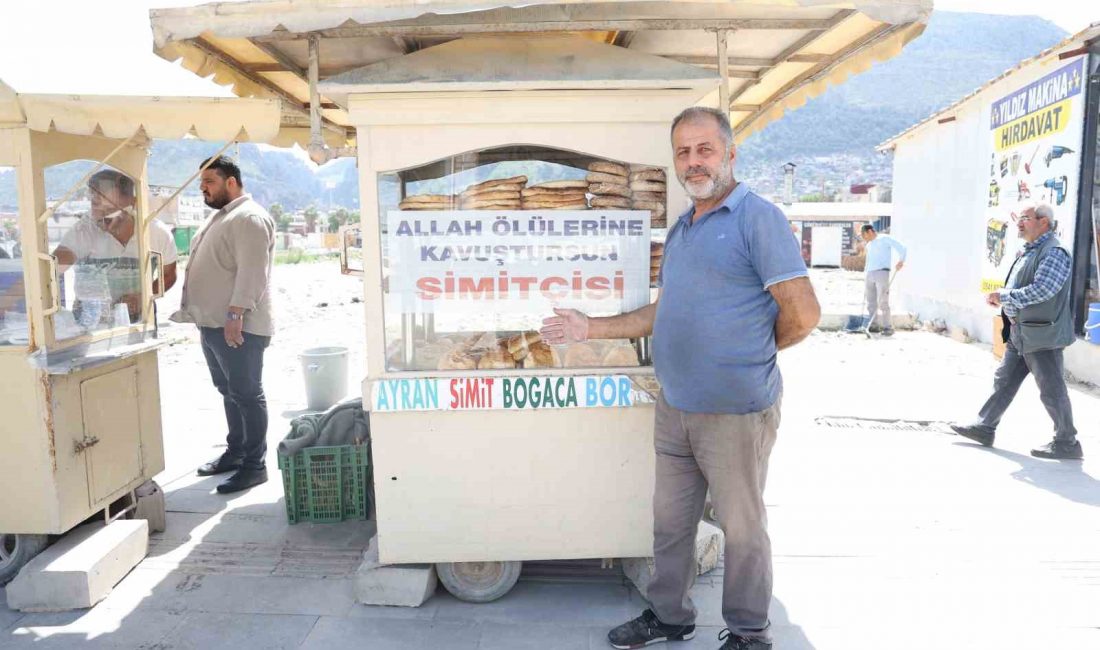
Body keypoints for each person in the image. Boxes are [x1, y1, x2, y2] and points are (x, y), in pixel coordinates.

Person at [541, 107, 820, 650]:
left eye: (705, 149)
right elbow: (662, 312)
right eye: (684, 153)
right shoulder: (684, 229)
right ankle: (669, 615)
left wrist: (753, 351)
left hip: (735, 411)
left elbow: (803, 313)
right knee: (670, 526)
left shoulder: (756, 218)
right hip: (675, 408)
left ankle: (748, 631)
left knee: (743, 531)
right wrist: (589, 326)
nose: (694, 162)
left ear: (731, 154)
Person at [171, 156, 276, 493]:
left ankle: (254, 466)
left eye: (210, 182)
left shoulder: (249, 218)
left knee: (247, 393)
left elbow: (252, 272)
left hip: (238, 326)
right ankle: (236, 452)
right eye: (202, 183)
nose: (204, 188)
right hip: (214, 325)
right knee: (229, 391)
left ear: (231, 182)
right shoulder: (222, 217)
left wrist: (236, 314)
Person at [950, 202, 1082, 460]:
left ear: (1044, 222)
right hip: (1021, 332)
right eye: (1019, 218)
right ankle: (984, 426)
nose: (1019, 222)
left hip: (1042, 335)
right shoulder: (1029, 251)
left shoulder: (1054, 252)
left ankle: (1067, 442)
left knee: (1051, 389)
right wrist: (1003, 300)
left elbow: (1043, 290)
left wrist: (1005, 296)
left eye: (1026, 217)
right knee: (1004, 381)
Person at [0, 169, 177, 323]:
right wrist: (7, 301)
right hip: (90, 325)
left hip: (141, 322)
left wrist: (144, 295)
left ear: (133, 202)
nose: (101, 218)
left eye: (110, 211)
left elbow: (169, 275)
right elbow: (49, 269)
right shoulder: (85, 229)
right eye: (95, 206)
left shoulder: (157, 233)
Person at [859, 224, 906, 335]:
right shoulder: (869, 245)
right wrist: (865, 273)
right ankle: (873, 325)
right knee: (871, 302)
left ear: (870, 231)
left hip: (882, 272)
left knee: (883, 302)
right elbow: (868, 260)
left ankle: (888, 328)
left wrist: (901, 261)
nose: (863, 237)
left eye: (864, 235)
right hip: (869, 274)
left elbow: (902, 247)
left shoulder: (884, 238)